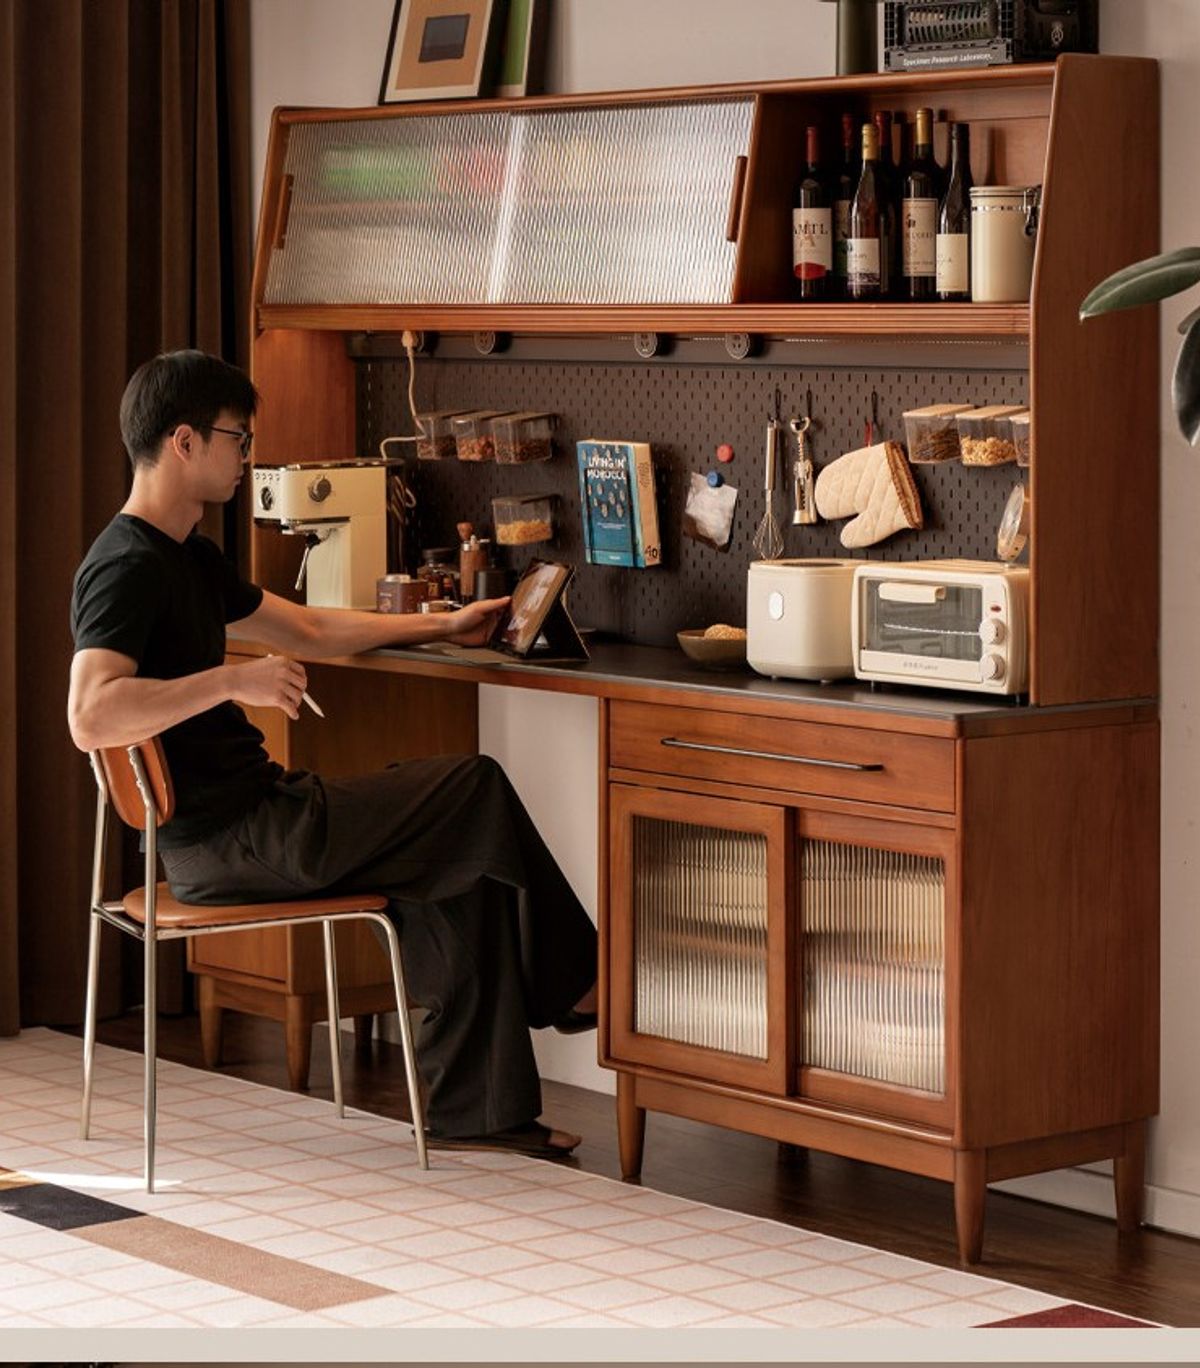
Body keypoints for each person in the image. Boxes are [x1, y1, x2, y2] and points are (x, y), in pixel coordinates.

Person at [67, 350, 598, 1159]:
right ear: (184, 441)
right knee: (475, 786)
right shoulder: (125, 565)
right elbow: (90, 714)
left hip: (257, 822)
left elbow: (309, 627)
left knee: (454, 847)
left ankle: (481, 1112)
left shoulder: (187, 556)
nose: (248, 458)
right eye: (238, 439)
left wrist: (441, 624)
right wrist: (230, 680)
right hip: (235, 839)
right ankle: (576, 985)